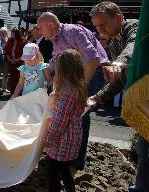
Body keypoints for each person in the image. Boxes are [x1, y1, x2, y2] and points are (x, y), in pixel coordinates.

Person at [85, 2, 143, 192]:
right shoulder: (114, 41)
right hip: (142, 102)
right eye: (97, 27)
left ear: (118, 18)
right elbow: (119, 82)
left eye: (103, 25)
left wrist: (119, 62)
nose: (100, 31)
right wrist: (97, 98)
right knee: (143, 148)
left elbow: (135, 45)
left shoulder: (135, 26)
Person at [37, 12, 109, 170]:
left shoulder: (72, 32)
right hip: (77, 76)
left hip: (93, 72)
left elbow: (92, 59)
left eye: (40, 28)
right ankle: (60, 155)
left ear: (50, 25)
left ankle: (75, 160)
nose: (39, 32)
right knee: (64, 112)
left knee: (80, 114)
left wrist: (80, 89)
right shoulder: (57, 39)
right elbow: (56, 62)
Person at [43, 49, 87, 192]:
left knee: (54, 173)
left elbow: (60, 120)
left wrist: (48, 138)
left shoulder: (67, 92)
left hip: (62, 140)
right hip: (71, 139)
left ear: (64, 69)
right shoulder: (76, 88)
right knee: (65, 170)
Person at [4, 28, 24, 94]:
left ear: (16, 34)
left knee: (19, 77)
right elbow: (6, 51)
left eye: (12, 33)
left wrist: (18, 59)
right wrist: (10, 59)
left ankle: (19, 91)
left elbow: (24, 53)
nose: (11, 34)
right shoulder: (10, 41)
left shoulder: (22, 41)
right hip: (11, 62)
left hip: (20, 62)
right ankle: (12, 91)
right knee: (12, 77)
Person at [0, 27, 10, 93]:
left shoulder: (8, 40)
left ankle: (4, 88)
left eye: (4, 32)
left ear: (6, 33)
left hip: (6, 58)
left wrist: (6, 41)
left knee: (5, 73)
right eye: (1, 32)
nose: (2, 34)